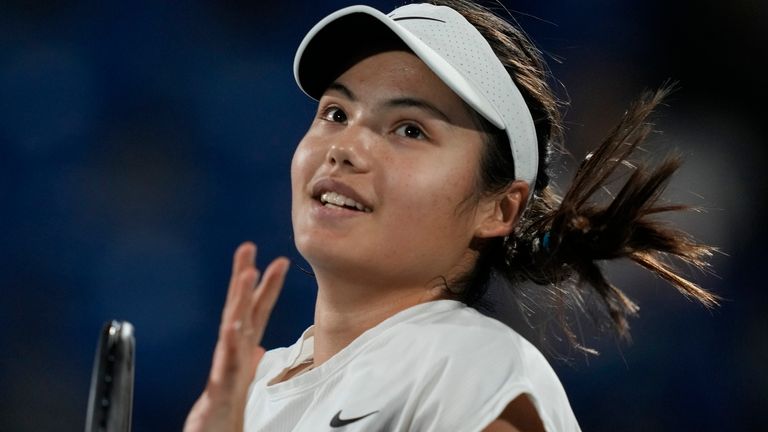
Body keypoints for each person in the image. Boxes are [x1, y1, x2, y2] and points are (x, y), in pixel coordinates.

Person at [183, 1, 717, 431]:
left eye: (410, 129)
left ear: (499, 207)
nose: (344, 147)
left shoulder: (470, 367)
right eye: (335, 113)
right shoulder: (254, 387)